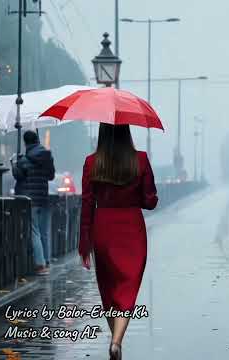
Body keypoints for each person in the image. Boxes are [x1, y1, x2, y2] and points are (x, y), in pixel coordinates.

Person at [78, 123, 158, 360]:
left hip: (103, 227)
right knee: (127, 288)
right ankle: (116, 342)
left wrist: (84, 243)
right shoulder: (141, 160)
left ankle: (116, 340)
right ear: (126, 132)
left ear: (102, 133)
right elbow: (150, 201)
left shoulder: (92, 163)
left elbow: (86, 205)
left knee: (109, 289)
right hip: (132, 229)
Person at [11, 130, 55, 276]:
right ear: (37, 140)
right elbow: (51, 176)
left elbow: (18, 176)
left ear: (25, 142)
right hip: (44, 198)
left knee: (34, 232)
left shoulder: (24, 160)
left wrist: (13, 164)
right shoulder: (47, 156)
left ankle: (40, 265)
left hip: (32, 200)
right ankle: (47, 261)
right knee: (44, 232)